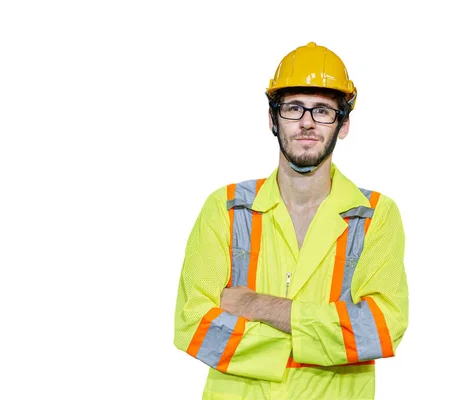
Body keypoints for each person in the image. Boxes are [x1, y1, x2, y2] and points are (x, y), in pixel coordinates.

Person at [173, 42, 409, 400]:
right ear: (272, 119)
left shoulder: (375, 216)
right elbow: (193, 325)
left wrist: (254, 306)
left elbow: (382, 329)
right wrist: (325, 340)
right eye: (294, 107)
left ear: (343, 124)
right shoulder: (226, 209)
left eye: (323, 110)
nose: (307, 122)